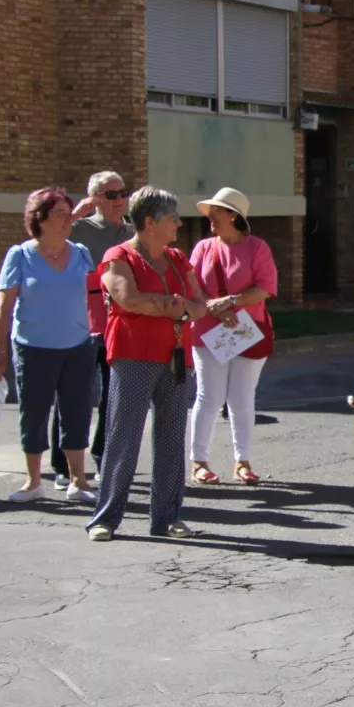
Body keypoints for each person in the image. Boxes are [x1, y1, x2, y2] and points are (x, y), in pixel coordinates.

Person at [87, 186, 212, 542]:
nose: (177, 223)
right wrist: (172, 304)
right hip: (132, 355)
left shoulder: (177, 257)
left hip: (176, 356)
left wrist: (169, 305)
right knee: (123, 436)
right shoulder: (119, 256)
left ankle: (167, 517)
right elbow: (127, 299)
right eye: (172, 217)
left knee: (172, 439)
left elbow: (199, 306)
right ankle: (106, 518)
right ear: (150, 222)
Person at [0, 188, 101, 504]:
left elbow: (93, 300)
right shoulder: (20, 255)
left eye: (70, 214)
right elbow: (4, 307)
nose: (69, 220)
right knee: (35, 412)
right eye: (61, 215)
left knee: (77, 412)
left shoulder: (80, 252)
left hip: (78, 345)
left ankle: (79, 481)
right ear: (39, 219)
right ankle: (33, 482)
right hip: (33, 347)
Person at [187, 188, 279, 486]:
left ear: (234, 216)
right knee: (208, 397)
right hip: (207, 332)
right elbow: (194, 285)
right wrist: (215, 309)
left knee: (241, 399)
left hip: (246, 332)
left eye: (218, 211)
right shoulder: (203, 248)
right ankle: (199, 462)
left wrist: (231, 303)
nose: (211, 217)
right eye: (211, 211)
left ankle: (243, 461)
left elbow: (265, 288)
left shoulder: (257, 248)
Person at [47, 171, 132, 489]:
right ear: (95, 198)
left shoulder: (131, 231)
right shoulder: (77, 229)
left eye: (123, 193)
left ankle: (103, 456)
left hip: (118, 325)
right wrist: (78, 212)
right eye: (111, 195)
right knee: (72, 396)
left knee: (115, 395)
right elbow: (47, 239)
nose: (120, 200)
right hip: (78, 324)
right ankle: (62, 466)